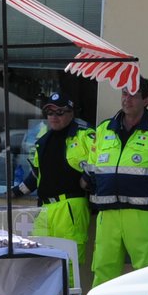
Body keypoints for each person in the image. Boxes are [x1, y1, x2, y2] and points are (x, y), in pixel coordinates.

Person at [86, 78, 148, 285]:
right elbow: (91, 172)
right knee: (103, 271)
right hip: (107, 214)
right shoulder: (104, 129)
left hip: (141, 216)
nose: (126, 100)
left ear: (146, 100)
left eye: (133, 95)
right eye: (124, 94)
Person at [12, 91, 93, 283]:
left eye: (59, 112)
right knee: (39, 259)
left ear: (71, 113)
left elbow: (103, 161)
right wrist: (16, 191)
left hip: (70, 207)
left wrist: (89, 180)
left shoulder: (84, 134)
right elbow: (36, 174)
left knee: (68, 262)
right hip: (46, 209)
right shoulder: (44, 139)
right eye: (50, 113)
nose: (54, 117)